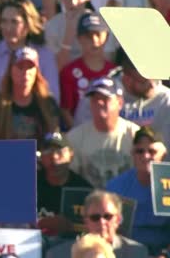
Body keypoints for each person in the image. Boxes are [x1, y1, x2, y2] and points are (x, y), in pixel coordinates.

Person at [0, 0, 60, 104]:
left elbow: (52, 98)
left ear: (28, 24)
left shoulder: (44, 55)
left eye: (14, 22)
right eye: (4, 21)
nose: (8, 28)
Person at [107, 126, 170, 255]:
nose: (145, 156)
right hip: (125, 252)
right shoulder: (116, 187)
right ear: (132, 154)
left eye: (152, 151)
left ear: (163, 154)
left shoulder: (167, 181)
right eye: (139, 151)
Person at [67, 77, 139, 188]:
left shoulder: (135, 135)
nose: (100, 102)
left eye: (105, 98)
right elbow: (71, 180)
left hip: (127, 200)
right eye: (95, 99)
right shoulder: (74, 138)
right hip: (90, 200)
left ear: (120, 103)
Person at [45, 190, 148, 258]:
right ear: (86, 222)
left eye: (108, 216)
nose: (102, 222)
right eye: (95, 217)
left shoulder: (137, 252)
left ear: (118, 219)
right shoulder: (58, 254)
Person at [0, 46, 61, 142]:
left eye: (30, 67)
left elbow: (54, 139)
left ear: (37, 71)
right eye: (20, 67)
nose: (26, 72)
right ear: (11, 70)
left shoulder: (48, 103)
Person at [59, 12, 116, 127]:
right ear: (79, 38)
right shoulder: (69, 72)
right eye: (88, 36)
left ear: (107, 37)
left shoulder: (115, 72)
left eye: (98, 34)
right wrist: (77, 136)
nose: (94, 41)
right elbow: (66, 111)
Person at [37, 132, 92, 236]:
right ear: (40, 157)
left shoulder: (83, 190)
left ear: (71, 155)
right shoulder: (30, 185)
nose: (54, 157)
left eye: (59, 151)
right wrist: (42, 222)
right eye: (48, 152)